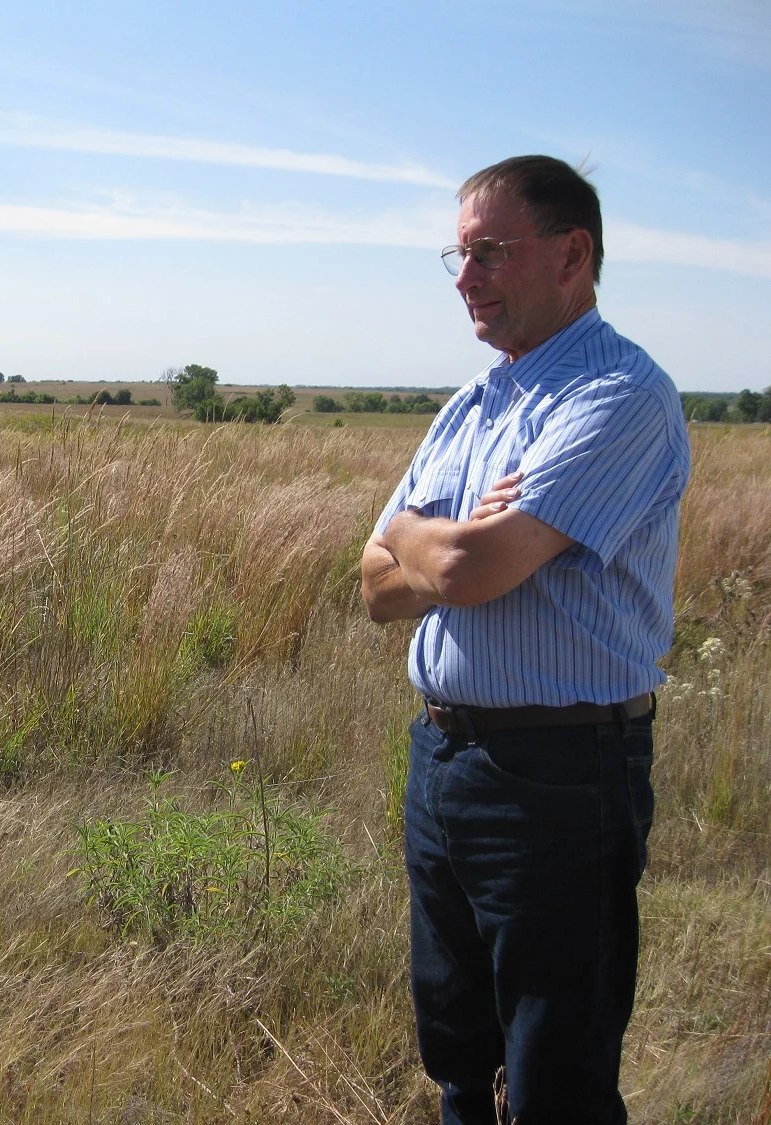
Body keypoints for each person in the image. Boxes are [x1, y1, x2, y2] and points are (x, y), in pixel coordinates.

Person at [360, 155, 690, 1123]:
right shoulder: (475, 403)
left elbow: (466, 573)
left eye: (490, 252)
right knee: (457, 1046)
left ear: (573, 254)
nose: (465, 277)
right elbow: (374, 587)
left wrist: (427, 544)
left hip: (561, 770)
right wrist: (443, 541)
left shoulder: (617, 396)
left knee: (556, 1071)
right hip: (446, 757)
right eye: (458, 256)